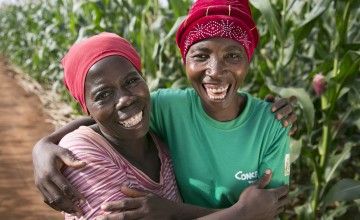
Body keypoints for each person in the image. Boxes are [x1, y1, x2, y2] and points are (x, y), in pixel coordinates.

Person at [32, 0, 297, 219]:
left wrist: (171, 212)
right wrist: (44, 144)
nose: (215, 72)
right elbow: (109, 118)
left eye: (232, 55)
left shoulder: (272, 124)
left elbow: (264, 212)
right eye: (201, 56)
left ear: (248, 59)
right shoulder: (170, 108)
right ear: (185, 60)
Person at [53, 32, 182, 219]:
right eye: (103, 95)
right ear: (86, 108)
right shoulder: (80, 152)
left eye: (131, 81)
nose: (125, 100)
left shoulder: (161, 141)